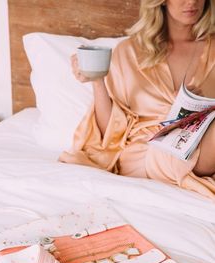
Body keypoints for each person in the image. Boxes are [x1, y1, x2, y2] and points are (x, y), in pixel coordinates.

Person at [59, 0, 215, 200]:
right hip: (148, 152)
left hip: (198, 141)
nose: (192, 1)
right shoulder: (129, 52)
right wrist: (98, 82)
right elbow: (110, 134)